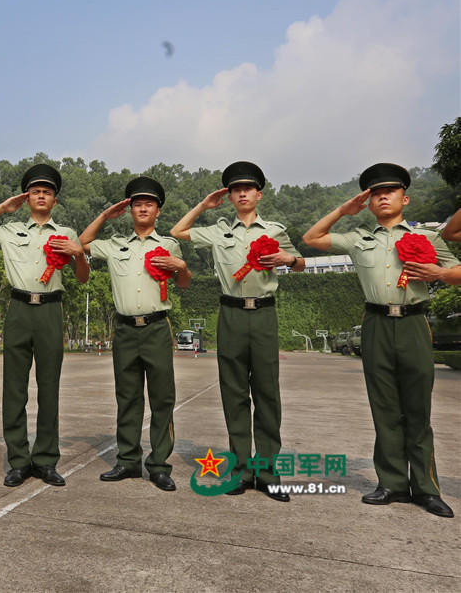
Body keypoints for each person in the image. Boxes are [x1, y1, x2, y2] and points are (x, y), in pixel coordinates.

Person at [302, 163, 458, 518]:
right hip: (374, 324)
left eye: (390, 191)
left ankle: (426, 488)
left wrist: (441, 272)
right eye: (375, 193)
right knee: (384, 408)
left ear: (405, 197)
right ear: (368, 202)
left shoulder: (428, 238)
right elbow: (311, 239)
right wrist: (343, 211)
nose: (383, 196)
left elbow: (459, 272)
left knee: (417, 409)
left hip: (414, 323)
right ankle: (391, 483)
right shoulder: (360, 239)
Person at [170, 161, 303, 502]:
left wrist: (288, 260)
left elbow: (299, 261)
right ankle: (242, 470)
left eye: (248, 188)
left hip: (263, 315)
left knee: (267, 394)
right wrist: (203, 205)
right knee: (234, 394)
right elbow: (177, 232)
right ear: (228, 196)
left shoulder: (274, 230)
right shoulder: (217, 231)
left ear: (259, 193)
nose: (242, 193)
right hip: (229, 314)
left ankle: (269, 472)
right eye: (235, 189)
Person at [0, 164, 89, 487]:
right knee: (14, 389)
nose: (41, 196)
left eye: (47, 192)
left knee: (49, 389)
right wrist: (2, 209)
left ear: (55, 200)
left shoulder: (67, 234)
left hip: (50, 310)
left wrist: (78, 254)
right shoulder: (8, 230)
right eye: (35, 191)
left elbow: (83, 277)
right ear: (26, 197)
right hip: (19, 308)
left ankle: (46, 459)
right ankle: (18, 460)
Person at [79, 177, 191, 491]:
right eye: (137, 204)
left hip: (156, 327)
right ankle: (128, 461)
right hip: (125, 330)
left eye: (149, 204)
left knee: (162, 398)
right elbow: (83, 243)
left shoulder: (168, 245)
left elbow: (183, 283)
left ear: (157, 210)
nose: (143, 208)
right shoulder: (115, 244)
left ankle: (158, 465)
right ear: (129, 210)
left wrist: (180, 265)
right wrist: (104, 216)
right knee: (127, 398)